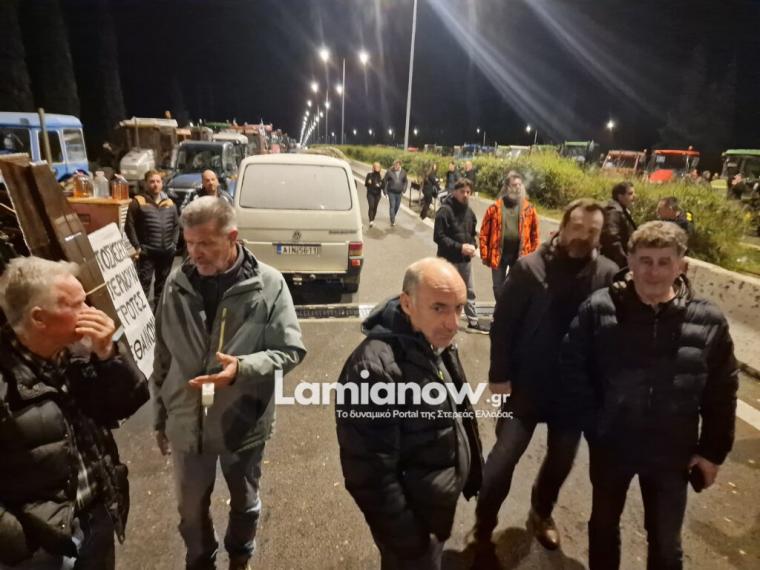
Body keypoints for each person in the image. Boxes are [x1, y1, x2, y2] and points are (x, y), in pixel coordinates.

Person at [562, 221, 738, 570]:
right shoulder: (599, 309)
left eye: (663, 262)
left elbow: (722, 391)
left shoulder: (708, 321)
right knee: (603, 528)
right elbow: (572, 369)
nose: (653, 272)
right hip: (612, 447)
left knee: (666, 543)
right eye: (645, 260)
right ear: (630, 260)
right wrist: (595, 424)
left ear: (681, 265)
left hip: (672, 453)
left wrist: (712, 452)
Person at [152, 197, 307, 570]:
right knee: (190, 510)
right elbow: (163, 355)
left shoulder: (268, 285)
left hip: (242, 420)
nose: (195, 253)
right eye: (189, 243)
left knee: (244, 501)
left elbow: (290, 350)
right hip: (186, 420)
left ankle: (240, 555)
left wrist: (242, 368)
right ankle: (200, 560)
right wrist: (160, 416)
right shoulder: (176, 283)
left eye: (206, 243)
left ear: (232, 237)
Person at [472, 199, 618, 554]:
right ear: (562, 227)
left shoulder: (608, 275)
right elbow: (503, 326)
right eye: (577, 227)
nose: (583, 236)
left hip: (573, 394)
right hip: (525, 386)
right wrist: (499, 375)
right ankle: (484, 524)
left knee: (561, 462)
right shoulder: (529, 269)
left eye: (593, 231)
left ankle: (541, 512)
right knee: (500, 463)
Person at [0, 256, 148, 569]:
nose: (91, 312)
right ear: (39, 318)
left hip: (97, 516)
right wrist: (20, 541)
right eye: (77, 304)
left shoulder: (76, 351)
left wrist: (108, 354)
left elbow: (126, 404)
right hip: (40, 545)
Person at [336, 257, 483, 570]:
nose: (453, 323)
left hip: (433, 507)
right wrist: (410, 540)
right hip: (412, 531)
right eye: (439, 308)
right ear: (407, 303)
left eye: (458, 308)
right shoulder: (373, 370)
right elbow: (370, 476)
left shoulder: (431, 340)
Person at [433, 179, 488, 334]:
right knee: (445, 292)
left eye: (468, 192)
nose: (465, 195)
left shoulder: (469, 212)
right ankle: (439, 323)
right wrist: (460, 247)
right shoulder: (444, 211)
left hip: (465, 260)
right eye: (462, 191)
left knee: (469, 291)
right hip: (447, 260)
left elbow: (472, 234)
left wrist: (473, 245)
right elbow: (438, 237)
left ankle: (473, 322)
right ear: (454, 192)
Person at [479, 172, 540, 299]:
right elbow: (484, 232)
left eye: (519, 185)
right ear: (507, 187)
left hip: (519, 255)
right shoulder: (495, 208)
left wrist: (533, 255)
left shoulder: (529, 209)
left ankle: (508, 309)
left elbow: (535, 234)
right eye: (514, 185)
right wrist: (484, 254)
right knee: (498, 286)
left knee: (515, 286)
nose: (517, 188)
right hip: (498, 254)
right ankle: (501, 307)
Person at [125, 169, 179, 304]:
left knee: (162, 288)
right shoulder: (138, 202)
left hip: (166, 253)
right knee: (143, 286)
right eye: (152, 181)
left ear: (162, 183)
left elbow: (176, 226)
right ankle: (142, 315)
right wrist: (137, 246)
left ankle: (158, 315)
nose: (155, 184)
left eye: (158, 181)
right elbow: (129, 226)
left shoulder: (170, 203)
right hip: (147, 253)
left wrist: (174, 244)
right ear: (145, 184)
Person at [600, 181, 637, 267]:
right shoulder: (614, 211)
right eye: (630, 194)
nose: (634, 196)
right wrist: (624, 260)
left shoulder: (620, 209)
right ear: (620, 196)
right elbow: (611, 238)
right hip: (615, 263)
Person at [382, 159, 408, 227]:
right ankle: (392, 221)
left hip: (399, 193)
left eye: (396, 165)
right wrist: (385, 191)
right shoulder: (389, 171)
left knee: (397, 207)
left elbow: (405, 181)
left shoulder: (403, 172)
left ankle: (392, 216)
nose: (395, 166)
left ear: (400, 165)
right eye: (394, 165)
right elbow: (384, 181)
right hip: (391, 192)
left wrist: (404, 189)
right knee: (392, 206)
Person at [364, 162, 383, 227]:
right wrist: (368, 183)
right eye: (376, 166)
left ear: (380, 168)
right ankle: (371, 221)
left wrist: (380, 185)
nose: (377, 168)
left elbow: (383, 186)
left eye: (378, 167)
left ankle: (372, 219)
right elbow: (366, 184)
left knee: (375, 207)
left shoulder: (381, 176)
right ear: (374, 167)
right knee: (371, 206)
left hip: (377, 195)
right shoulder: (369, 175)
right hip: (370, 193)